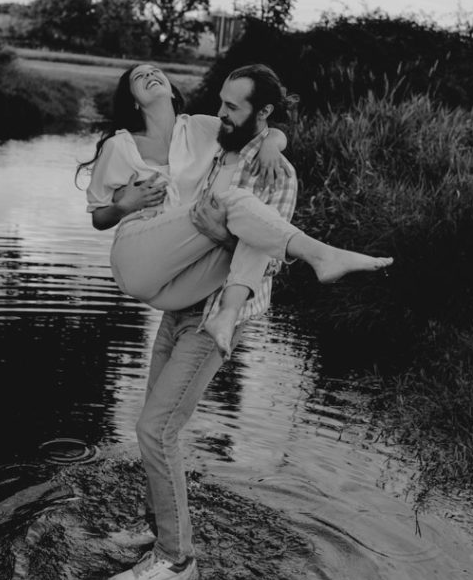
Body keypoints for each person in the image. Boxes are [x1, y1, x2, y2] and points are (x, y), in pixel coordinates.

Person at [81, 63, 392, 580]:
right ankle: (158, 530)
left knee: (157, 430)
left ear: (262, 112)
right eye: (220, 104)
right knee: (151, 425)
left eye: (233, 107)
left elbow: (260, 257)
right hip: (180, 302)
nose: (220, 113)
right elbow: (147, 212)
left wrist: (223, 248)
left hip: (217, 314)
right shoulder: (215, 147)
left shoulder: (278, 173)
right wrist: (265, 140)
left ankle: (175, 561)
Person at [82, 63, 392, 360]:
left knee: (250, 230)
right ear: (133, 101)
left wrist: (273, 144)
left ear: (173, 92)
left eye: (155, 71)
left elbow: (259, 128)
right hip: (136, 252)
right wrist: (125, 205)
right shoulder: (119, 147)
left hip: (174, 276)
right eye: (139, 76)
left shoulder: (201, 128)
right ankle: (321, 255)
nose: (150, 74)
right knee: (234, 200)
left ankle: (228, 313)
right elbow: (98, 217)